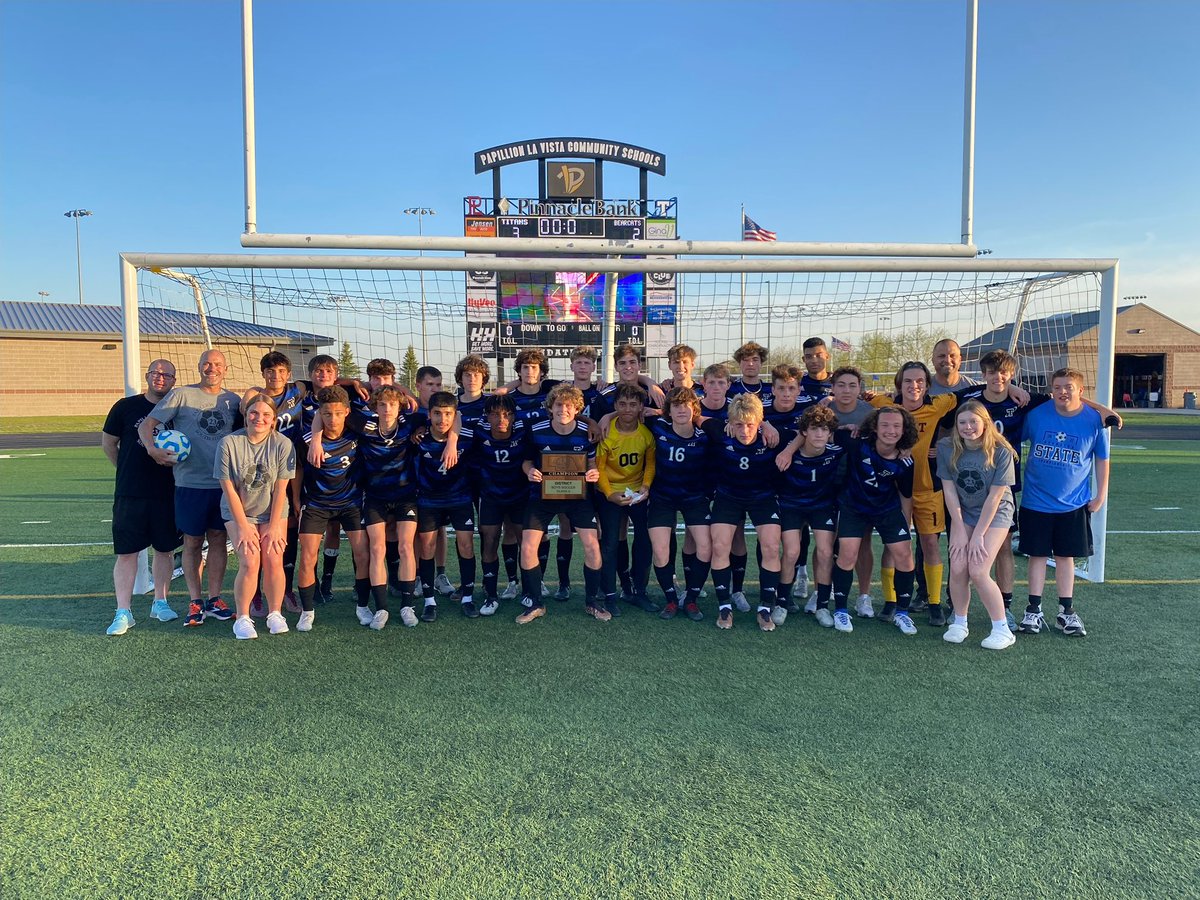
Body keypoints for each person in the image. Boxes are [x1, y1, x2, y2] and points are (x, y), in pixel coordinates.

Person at [139, 348, 240, 627]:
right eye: (207, 363)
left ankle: (215, 598)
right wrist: (152, 450)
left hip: (223, 484)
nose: (212, 368)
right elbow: (147, 425)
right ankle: (195, 601)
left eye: (217, 364)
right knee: (193, 542)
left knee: (219, 540)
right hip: (189, 484)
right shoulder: (181, 394)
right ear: (199, 367)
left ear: (225, 369)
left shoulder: (233, 401)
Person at [1016, 368, 1111, 638]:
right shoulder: (1036, 415)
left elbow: (1102, 460)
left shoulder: (1094, 421)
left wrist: (1101, 494)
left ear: (1081, 391)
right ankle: (1033, 610)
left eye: (1068, 386)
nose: (1062, 392)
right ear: (1051, 390)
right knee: (1036, 556)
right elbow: (1011, 437)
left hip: (1073, 504)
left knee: (1064, 557)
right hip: (1035, 501)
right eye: (1057, 387)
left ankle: (1066, 612)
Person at [101, 358, 182, 635]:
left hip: (168, 491)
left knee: (165, 550)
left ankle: (160, 602)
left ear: (173, 380)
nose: (160, 378)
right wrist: (126, 469)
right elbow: (108, 443)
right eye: (155, 373)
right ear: (148, 376)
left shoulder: (177, 409)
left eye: (166, 375)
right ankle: (123, 612)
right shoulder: (126, 407)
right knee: (127, 553)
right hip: (131, 492)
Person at [828, 407, 920, 635]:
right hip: (853, 506)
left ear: (904, 429)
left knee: (904, 554)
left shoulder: (906, 460)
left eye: (897, 426)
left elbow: (905, 494)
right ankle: (840, 610)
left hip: (886, 509)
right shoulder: (857, 443)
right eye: (885, 425)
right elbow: (827, 431)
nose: (891, 431)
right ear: (875, 427)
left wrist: (906, 524)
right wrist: (846, 426)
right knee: (848, 553)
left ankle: (902, 613)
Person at [518, 384, 602, 624]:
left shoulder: (586, 432)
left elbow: (592, 463)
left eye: (568, 406)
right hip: (542, 496)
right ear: (550, 407)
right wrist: (531, 470)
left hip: (577, 496)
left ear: (577, 409)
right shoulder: (536, 430)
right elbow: (525, 461)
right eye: (558, 405)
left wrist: (593, 473)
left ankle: (592, 601)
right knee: (527, 546)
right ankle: (535, 603)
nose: (563, 409)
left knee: (592, 544)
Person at [936, 401, 1018, 650]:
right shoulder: (946, 447)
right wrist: (959, 530)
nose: (968, 427)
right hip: (965, 512)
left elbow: (995, 498)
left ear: (985, 423)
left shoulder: (1001, 450)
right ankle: (960, 622)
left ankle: (1002, 628)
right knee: (959, 566)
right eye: (962, 422)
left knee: (979, 570)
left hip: (995, 514)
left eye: (974, 421)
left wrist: (978, 536)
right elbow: (949, 492)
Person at [215, 396, 296, 640]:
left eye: (265, 415)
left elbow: (282, 489)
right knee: (250, 562)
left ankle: (275, 613)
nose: (259, 418)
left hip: (273, 510)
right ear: (246, 414)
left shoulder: (283, 444)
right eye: (254, 413)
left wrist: (273, 526)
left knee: (273, 558)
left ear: (273, 420)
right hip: (238, 511)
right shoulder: (228, 443)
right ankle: (242, 617)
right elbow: (228, 488)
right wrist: (243, 526)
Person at [704, 394, 784, 632]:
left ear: (759, 422)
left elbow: (802, 434)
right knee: (719, 546)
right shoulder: (721, 432)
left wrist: (771, 429)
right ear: (730, 422)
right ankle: (724, 606)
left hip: (762, 497)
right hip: (728, 497)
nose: (745, 430)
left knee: (770, 546)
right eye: (739, 424)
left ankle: (765, 609)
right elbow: (697, 417)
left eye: (750, 424)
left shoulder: (772, 437)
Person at [295, 386, 370, 631]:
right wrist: (297, 500)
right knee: (307, 557)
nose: (333, 419)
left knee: (362, 553)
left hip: (351, 503)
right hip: (316, 504)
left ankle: (362, 605)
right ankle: (307, 611)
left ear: (347, 412)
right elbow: (298, 471)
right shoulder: (307, 438)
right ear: (320, 414)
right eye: (327, 414)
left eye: (338, 413)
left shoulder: (357, 433)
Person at [347, 384, 420, 628]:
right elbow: (328, 409)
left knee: (406, 547)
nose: (387, 408)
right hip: (375, 497)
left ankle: (407, 605)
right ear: (375, 407)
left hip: (405, 496)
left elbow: (447, 415)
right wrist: (315, 439)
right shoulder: (364, 425)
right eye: (382, 404)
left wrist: (406, 393)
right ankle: (381, 609)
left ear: (399, 406)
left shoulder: (409, 424)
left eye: (392, 403)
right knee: (377, 550)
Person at [773, 405, 845, 629]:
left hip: (822, 506)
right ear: (804, 431)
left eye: (824, 429)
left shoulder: (835, 452)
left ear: (830, 432)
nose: (819, 434)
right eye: (814, 429)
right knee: (792, 552)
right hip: (792, 505)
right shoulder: (790, 452)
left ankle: (822, 605)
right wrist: (789, 449)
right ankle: (782, 602)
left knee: (825, 552)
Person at [646, 387, 711, 622]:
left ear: (694, 410)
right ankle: (671, 599)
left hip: (694, 498)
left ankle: (691, 599)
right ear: (668, 411)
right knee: (661, 549)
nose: (682, 410)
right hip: (662, 497)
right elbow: (628, 414)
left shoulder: (704, 437)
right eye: (676, 406)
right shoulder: (658, 427)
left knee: (705, 547)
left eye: (686, 405)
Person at [414, 391, 477, 621]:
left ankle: (468, 597)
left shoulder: (467, 437)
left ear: (455, 415)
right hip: (429, 500)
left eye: (448, 414)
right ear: (429, 415)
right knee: (427, 546)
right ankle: (429, 600)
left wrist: (454, 439)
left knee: (466, 545)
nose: (443, 419)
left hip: (460, 498)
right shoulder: (418, 439)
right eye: (437, 414)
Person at [595, 384, 657, 616]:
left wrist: (645, 487)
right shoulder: (606, 431)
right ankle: (610, 595)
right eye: (622, 404)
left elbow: (649, 464)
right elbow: (599, 467)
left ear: (641, 407)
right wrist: (609, 493)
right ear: (615, 406)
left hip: (636, 494)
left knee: (645, 539)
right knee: (610, 542)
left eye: (633, 404)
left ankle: (639, 591)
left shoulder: (646, 435)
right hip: (609, 493)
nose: (627, 409)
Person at [473, 393, 529, 617]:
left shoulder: (525, 431)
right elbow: (455, 421)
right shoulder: (478, 432)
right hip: (491, 496)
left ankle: (529, 590)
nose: (501, 419)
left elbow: (560, 416)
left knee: (525, 541)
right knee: (489, 540)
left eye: (506, 414)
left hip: (519, 495)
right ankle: (491, 595)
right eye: (495, 414)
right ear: (487, 417)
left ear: (514, 417)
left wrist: (592, 420)